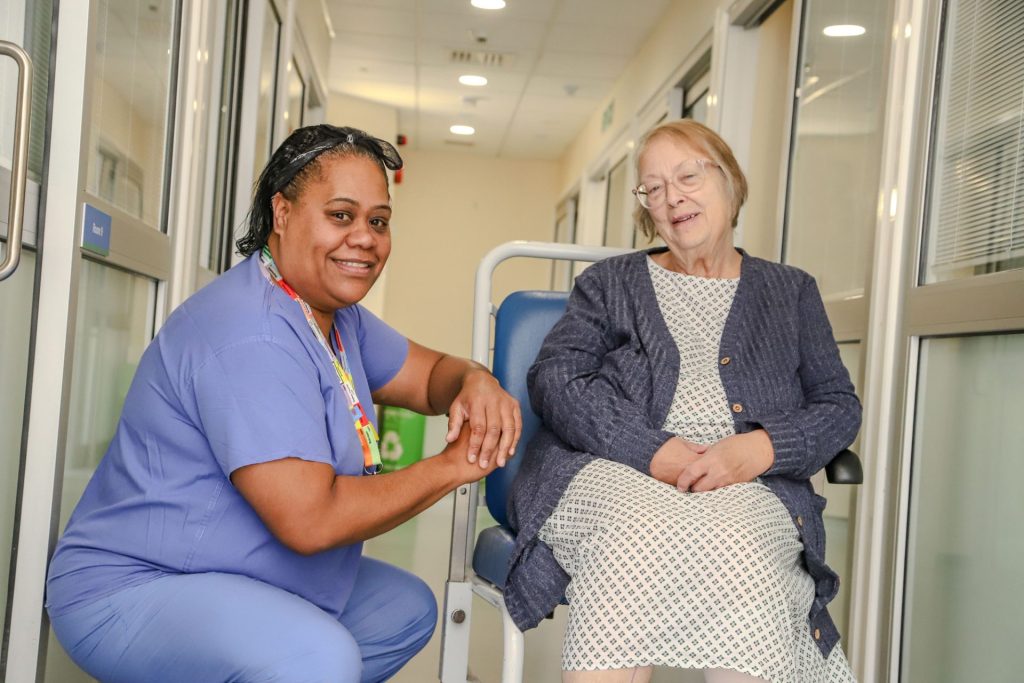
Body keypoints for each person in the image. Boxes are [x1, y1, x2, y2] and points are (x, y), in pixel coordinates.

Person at [45, 124, 522, 683]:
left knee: (402, 611)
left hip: (239, 572)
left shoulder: (331, 318)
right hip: (138, 586)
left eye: (379, 220)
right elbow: (311, 521)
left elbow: (433, 376)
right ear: (283, 213)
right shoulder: (251, 333)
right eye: (341, 215)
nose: (365, 237)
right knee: (320, 657)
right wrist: (451, 467)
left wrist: (477, 381)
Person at [505, 119, 862, 683]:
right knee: (631, 533)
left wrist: (760, 450)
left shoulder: (791, 291)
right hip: (616, 468)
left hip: (747, 483)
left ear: (730, 182)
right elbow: (558, 377)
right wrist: (655, 451)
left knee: (743, 546)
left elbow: (838, 404)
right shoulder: (609, 283)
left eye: (687, 176)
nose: (672, 199)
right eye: (653, 188)